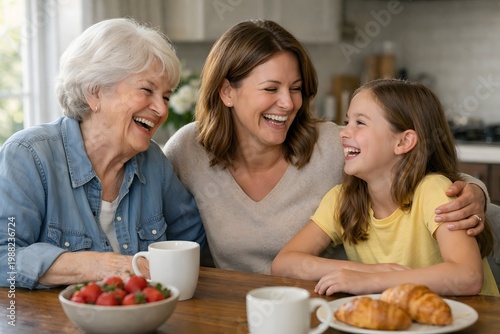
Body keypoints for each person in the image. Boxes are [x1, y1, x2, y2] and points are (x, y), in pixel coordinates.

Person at [163, 19, 488, 275]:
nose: (288, 103)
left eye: (296, 88)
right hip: (235, 310)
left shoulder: (333, 146)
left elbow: (429, 175)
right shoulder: (189, 150)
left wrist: (476, 195)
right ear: (226, 92)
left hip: (329, 306)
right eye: (271, 88)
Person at [0, 18, 205, 289]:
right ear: (94, 92)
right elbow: (5, 256)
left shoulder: (154, 163)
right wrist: (106, 266)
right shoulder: (28, 156)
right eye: (147, 90)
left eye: (166, 97)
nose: (161, 109)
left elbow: (194, 247)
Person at [271, 79, 498, 296]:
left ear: (403, 142)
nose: (344, 132)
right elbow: (284, 263)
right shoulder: (341, 199)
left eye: (360, 123)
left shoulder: (434, 191)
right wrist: (365, 272)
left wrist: (373, 282)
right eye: (347, 121)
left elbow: (468, 276)